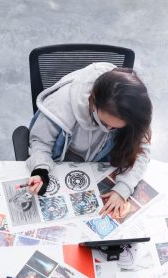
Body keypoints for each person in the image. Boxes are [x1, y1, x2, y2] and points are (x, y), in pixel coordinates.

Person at [25, 65, 152, 220]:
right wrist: (40, 171)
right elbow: (40, 142)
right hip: (61, 164)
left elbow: (142, 149)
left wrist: (123, 189)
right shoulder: (60, 104)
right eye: (104, 123)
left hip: (102, 167)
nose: (109, 130)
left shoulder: (133, 108)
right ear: (92, 101)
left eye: (117, 127)